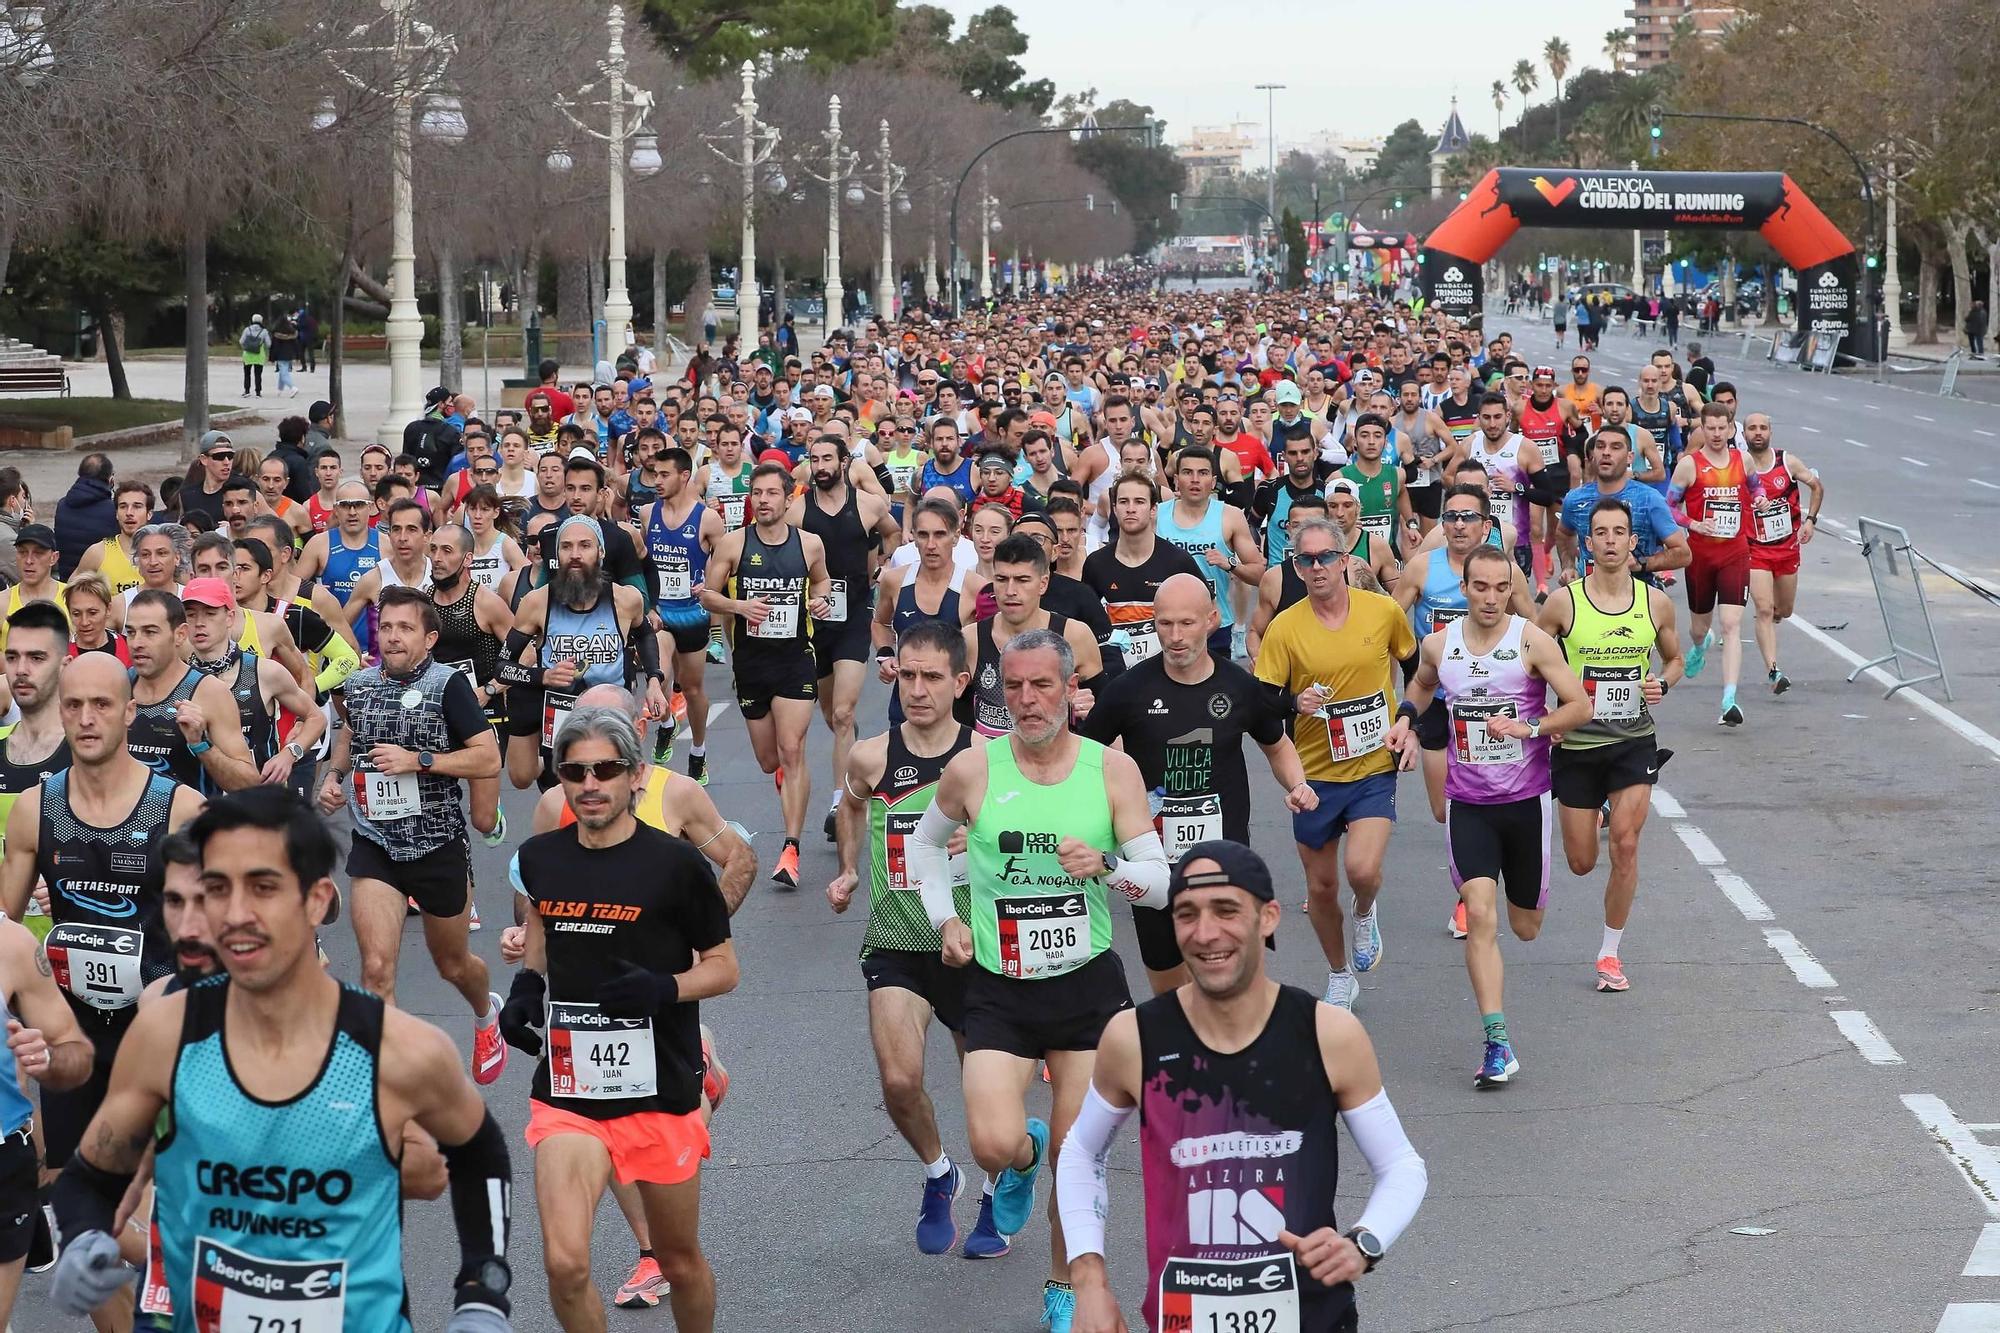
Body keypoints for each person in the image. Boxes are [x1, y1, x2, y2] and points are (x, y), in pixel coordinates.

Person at [47, 786, 517, 1333]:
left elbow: (478, 1151)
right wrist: (83, 1239)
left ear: (317, 899)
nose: (236, 914)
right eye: (217, 889)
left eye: (264, 888)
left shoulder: (396, 1047)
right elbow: (90, 1177)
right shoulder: (164, 1034)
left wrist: (483, 1293)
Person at [908, 628, 1169, 1333]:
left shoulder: (1110, 771)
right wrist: (944, 921)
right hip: (1001, 984)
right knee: (993, 1142)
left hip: (1087, 986)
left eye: (1042, 685)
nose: (1027, 699)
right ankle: (1016, 1161)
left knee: (1075, 1152)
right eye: (1014, 686)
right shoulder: (973, 771)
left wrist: (1110, 868)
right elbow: (922, 847)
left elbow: (1161, 881)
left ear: (1069, 689)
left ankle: (1063, 1283)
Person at [1058, 841, 1429, 1333]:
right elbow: (1082, 1151)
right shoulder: (1135, 1039)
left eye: (1226, 910)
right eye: (1186, 914)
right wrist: (1089, 1282)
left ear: (1268, 917)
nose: (1206, 933)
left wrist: (1364, 1242)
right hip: (1184, 1319)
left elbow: (1402, 1165)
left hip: (1312, 1318)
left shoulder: (1327, 1034)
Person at [502, 707, 737, 1333]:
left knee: (679, 1260)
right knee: (564, 1263)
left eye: (606, 769)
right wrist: (528, 983)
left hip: (657, 1086)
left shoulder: (675, 865)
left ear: (636, 776)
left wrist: (663, 988)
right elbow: (542, 925)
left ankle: (704, 1069)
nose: (590, 784)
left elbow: (723, 968)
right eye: (575, 771)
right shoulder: (541, 856)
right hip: (570, 1088)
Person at [0, 650, 206, 1333]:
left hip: (160, 1035)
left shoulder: (178, 806)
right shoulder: (36, 810)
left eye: (101, 705)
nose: (86, 719)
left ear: (127, 711)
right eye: (74, 706)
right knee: (84, 1223)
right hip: (71, 1039)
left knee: (154, 1210)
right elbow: (4, 930)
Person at [1402, 544, 1592, 1086]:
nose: (1490, 598)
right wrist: (1405, 719)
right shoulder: (1440, 645)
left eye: (1500, 587)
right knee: (1479, 915)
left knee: (1525, 927)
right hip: (1470, 805)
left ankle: (1527, 904)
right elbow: (1420, 684)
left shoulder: (1531, 641)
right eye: (1479, 587)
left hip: (1525, 803)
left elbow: (1580, 705)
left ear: (1512, 589)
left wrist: (1530, 729)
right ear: (1463, 588)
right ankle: (1496, 1041)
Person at [827, 622, 987, 1255]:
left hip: (976, 943)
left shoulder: (985, 759)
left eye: (932, 677)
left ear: (959, 682)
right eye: (907, 675)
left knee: (988, 1108)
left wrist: (973, 840)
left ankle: (1009, 1173)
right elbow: (853, 804)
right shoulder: (871, 756)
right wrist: (846, 869)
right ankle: (938, 1172)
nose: (917, 689)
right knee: (898, 1080)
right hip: (896, 937)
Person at [1082, 573, 1313, 995]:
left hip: (1224, 856)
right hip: (1153, 860)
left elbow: (1276, 744)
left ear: (1211, 619)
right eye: (1164, 623)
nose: (1174, 636)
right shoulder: (1130, 690)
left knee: (1225, 976)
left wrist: (1297, 784)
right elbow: (1081, 759)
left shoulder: (1238, 686)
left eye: (1186, 623)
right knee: (1169, 988)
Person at [317, 585, 507, 1081]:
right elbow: (349, 733)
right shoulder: (358, 685)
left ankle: (487, 1013)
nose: (394, 636)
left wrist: (420, 762)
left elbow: (489, 758)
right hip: (375, 844)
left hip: (437, 844)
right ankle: (388, 1086)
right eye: (387, 627)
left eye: (405, 628)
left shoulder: (448, 686)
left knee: (454, 964)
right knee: (376, 969)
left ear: (429, 638)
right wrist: (335, 778)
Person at [1252, 517, 1417, 1011]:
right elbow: (1263, 701)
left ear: (1345, 561)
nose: (1318, 567)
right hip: (1315, 773)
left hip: (1371, 765)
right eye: (1307, 560)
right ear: (1297, 567)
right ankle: (1340, 974)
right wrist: (1292, 703)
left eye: (1327, 557)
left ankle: (1365, 911)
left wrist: (1408, 721)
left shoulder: (1382, 612)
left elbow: (1416, 669)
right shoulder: (1285, 628)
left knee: (1361, 869)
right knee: (1321, 889)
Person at [1538, 498, 1686, 993]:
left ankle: (1608, 955)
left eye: (1618, 532)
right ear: (1587, 542)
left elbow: (1675, 660)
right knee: (1581, 862)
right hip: (1578, 746)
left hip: (1632, 742)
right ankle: (1597, 807)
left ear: (1632, 542)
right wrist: (1548, 715)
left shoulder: (1655, 603)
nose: (1609, 541)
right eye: (1599, 532)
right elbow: (1529, 659)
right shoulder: (1563, 603)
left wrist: (1662, 684)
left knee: (1625, 845)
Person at [701, 464, 834, 887]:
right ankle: (782, 773)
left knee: (793, 749)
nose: (762, 500)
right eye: (756, 493)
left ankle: (790, 848)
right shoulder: (733, 544)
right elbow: (706, 594)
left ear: (787, 499)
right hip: (751, 664)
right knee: (769, 759)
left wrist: (822, 601)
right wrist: (740, 608)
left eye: (771, 493)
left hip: (796, 659)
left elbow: (823, 581)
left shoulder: (809, 544)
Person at [789, 436, 901, 840]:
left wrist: (881, 569)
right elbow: (784, 552)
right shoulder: (799, 510)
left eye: (827, 459)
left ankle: (840, 802)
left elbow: (892, 532)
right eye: (814, 459)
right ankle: (850, 769)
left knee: (843, 713)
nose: (820, 466)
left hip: (854, 615)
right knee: (831, 714)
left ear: (843, 462)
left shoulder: (868, 504)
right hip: (815, 621)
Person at [180, 577, 323, 782]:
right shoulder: (177, 676)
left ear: (229, 617)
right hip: (199, 801)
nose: (199, 623)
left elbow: (316, 717)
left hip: (257, 800)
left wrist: (289, 754)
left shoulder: (264, 672)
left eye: (210, 614)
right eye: (191, 615)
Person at [123, 590, 262, 792]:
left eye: (150, 632)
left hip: (190, 821)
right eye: (131, 632)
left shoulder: (208, 692)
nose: (137, 643)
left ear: (180, 635)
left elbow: (248, 784)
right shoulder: (119, 685)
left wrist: (200, 744)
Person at [1669, 401, 1753, 725]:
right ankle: (1701, 645)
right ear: (1702, 428)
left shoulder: (1742, 460)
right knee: (1700, 627)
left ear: (1731, 428)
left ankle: (1729, 699)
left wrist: (1757, 498)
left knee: (1731, 625)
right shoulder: (1690, 465)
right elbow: (1670, 506)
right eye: (1711, 428)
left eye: (1723, 428)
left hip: (1735, 553)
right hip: (1701, 556)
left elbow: (1756, 489)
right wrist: (1693, 524)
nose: (1717, 434)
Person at [1081, 471, 1204, 665]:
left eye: (1139, 502)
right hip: (1115, 672)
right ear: (1114, 508)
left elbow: (1211, 614)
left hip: (1168, 669)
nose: (1130, 509)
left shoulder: (1178, 561)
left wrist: (1180, 649)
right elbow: (1084, 621)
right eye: (1123, 502)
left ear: (1153, 509)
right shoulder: (1096, 564)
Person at [1155, 448, 1263, 658]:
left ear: (1213, 481)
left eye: (1202, 473)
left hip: (1214, 625)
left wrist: (1230, 563)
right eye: (1187, 472)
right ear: (1176, 480)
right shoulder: (1157, 515)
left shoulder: (1230, 516)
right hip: (1167, 624)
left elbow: (1259, 573)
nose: (1195, 480)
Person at [1741, 414, 1822, 694]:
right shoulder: (1738, 464)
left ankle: (1773, 618)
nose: (1758, 433)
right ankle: (1774, 672)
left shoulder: (1786, 461)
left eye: (1763, 428)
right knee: (1763, 609)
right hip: (1754, 550)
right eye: (1752, 428)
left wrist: (1810, 520)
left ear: (1771, 432)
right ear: (1744, 434)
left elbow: (1816, 486)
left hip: (1786, 548)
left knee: (1783, 610)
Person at [53, 453, 117, 579]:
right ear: (109, 479)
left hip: (68, 580)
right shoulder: (113, 510)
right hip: (100, 582)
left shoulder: (62, 505)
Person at [237, 313, 270, 396]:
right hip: (259, 355)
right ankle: (258, 392)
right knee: (258, 374)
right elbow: (268, 344)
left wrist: (247, 346)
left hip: (247, 355)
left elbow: (241, 341)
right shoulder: (264, 331)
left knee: (247, 373)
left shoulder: (247, 330)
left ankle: (247, 390)